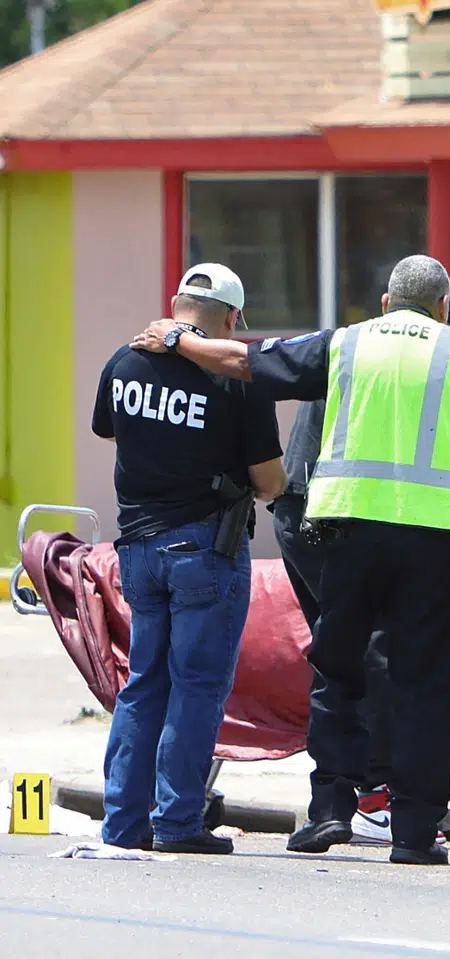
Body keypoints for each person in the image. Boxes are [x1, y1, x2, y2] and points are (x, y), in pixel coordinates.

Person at [132, 255, 450, 866]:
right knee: (426, 682)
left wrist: (177, 337)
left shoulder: (347, 344)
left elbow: (242, 361)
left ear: (388, 303)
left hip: (349, 537)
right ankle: (416, 832)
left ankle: (329, 814)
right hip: (433, 542)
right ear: (443, 306)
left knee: (339, 671)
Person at [94, 263, 286, 854]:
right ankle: (177, 822)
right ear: (231, 318)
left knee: (143, 684)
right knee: (196, 686)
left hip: (138, 551)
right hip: (203, 550)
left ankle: (123, 825)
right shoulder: (237, 381)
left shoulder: (124, 362)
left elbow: (108, 430)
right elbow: (270, 482)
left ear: (176, 305)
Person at [268, 299, 450, 846]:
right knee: (374, 657)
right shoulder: (411, 356)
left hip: (307, 512)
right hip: (335, 519)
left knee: (342, 658)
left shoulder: (350, 344)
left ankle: (337, 799)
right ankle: (377, 794)